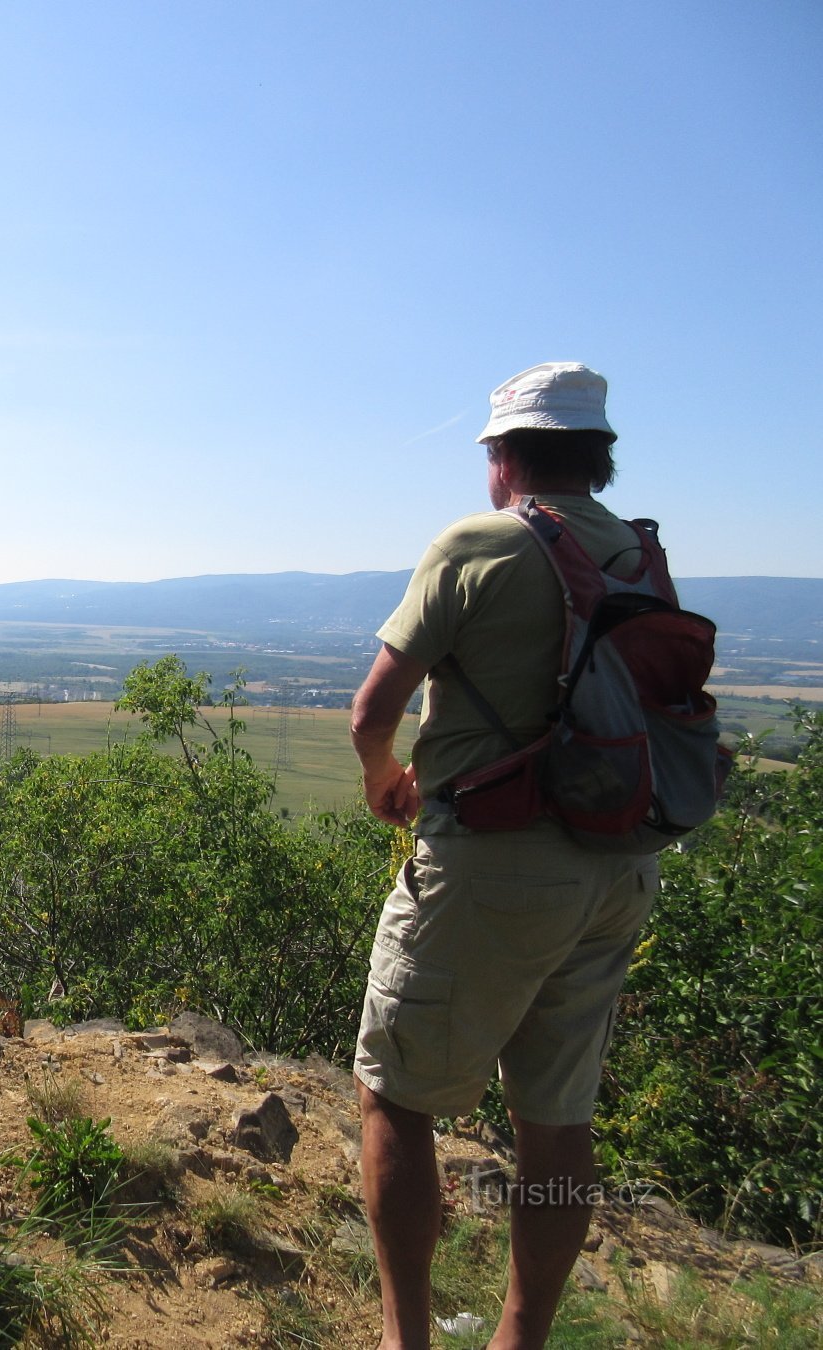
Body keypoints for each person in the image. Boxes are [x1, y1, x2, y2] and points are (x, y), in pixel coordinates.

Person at [349, 362, 661, 1350]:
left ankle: (407, 1339)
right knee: (557, 1119)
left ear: (505, 458)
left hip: (490, 865)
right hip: (614, 869)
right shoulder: (642, 558)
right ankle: (521, 1337)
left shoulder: (478, 543)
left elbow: (374, 709)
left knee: (397, 1096)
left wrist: (381, 778)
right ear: (597, 459)